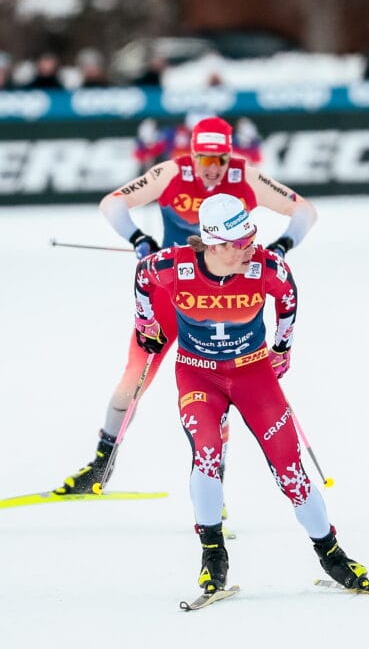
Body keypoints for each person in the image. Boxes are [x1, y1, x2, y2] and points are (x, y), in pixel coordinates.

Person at [56, 116, 316, 496]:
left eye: (219, 161)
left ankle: (215, 484)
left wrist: (280, 247)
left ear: (230, 156)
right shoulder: (170, 172)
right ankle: (100, 466)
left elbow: (305, 211)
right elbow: (112, 204)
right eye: (203, 160)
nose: (211, 170)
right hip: (172, 291)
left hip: (229, 296)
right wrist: (139, 239)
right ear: (190, 154)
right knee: (134, 378)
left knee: (220, 388)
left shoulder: (247, 177)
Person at [132, 193, 368, 593]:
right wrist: (146, 325)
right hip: (198, 375)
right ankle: (213, 552)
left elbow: (289, 300)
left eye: (251, 236)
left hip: (253, 375)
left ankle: (331, 554)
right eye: (240, 243)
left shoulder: (266, 265)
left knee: (289, 466)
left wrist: (282, 346)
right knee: (207, 451)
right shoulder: (174, 265)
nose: (251, 248)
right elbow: (142, 277)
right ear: (214, 244)